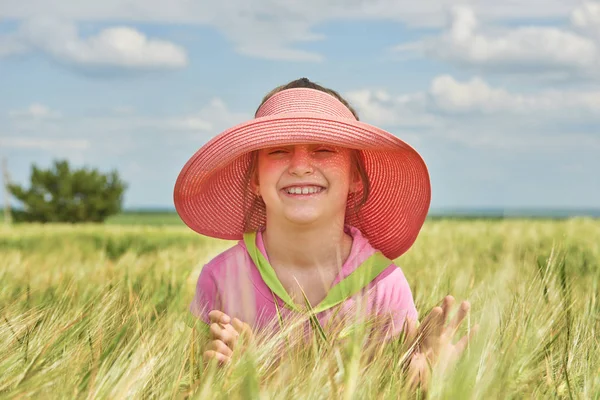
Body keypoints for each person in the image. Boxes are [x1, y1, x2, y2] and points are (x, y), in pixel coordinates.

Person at [173, 77, 478, 388]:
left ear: (355, 176)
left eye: (323, 150)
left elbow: (395, 389)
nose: (301, 166)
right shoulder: (221, 278)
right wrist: (222, 377)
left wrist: (427, 376)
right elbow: (185, 383)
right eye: (278, 150)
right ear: (254, 178)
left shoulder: (383, 287)